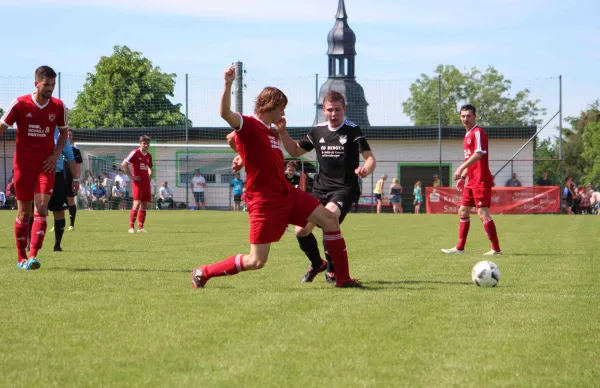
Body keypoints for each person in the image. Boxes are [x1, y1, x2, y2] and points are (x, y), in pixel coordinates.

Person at [191, 65, 362, 289]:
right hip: (264, 202)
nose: (283, 114)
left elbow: (251, 149)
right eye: (281, 108)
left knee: (330, 220)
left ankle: (343, 279)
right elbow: (227, 121)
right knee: (256, 261)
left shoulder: (270, 131)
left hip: (286, 194)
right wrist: (228, 84)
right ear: (270, 106)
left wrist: (243, 157)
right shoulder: (249, 123)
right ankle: (204, 272)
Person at [277, 90, 376, 283]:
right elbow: (295, 151)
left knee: (329, 218)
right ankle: (317, 264)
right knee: (301, 231)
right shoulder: (317, 131)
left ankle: (332, 270)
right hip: (320, 189)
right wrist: (282, 132)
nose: (334, 114)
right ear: (324, 110)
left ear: (344, 109)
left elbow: (370, 158)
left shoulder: (352, 130)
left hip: (344, 189)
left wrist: (366, 169)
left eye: (338, 110)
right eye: (330, 110)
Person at [0, 66, 69, 270]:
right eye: (46, 84)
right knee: (24, 212)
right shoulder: (20, 104)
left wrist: (55, 156)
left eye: (53, 85)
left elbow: (64, 135)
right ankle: (21, 257)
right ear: (36, 83)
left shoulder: (59, 107)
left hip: (45, 166)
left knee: (41, 207)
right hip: (23, 166)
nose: (50, 89)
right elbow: (2, 128)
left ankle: (33, 256)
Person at [441, 104, 501, 256]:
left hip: (481, 180)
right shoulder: (467, 135)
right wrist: (463, 176)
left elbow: (479, 154)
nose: (465, 119)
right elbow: (472, 161)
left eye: (468, 116)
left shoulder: (478, 133)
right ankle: (460, 248)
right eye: (463, 116)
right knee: (463, 211)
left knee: (482, 213)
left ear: (475, 116)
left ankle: (496, 249)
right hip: (472, 180)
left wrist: (461, 168)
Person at [48, 128, 80, 251]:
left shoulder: (60, 132)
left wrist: (76, 179)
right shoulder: (35, 126)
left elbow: (70, 156)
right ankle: (32, 245)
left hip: (57, 175)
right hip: (37, 174)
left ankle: (57, 244)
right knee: (36, 210)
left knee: (59, 210)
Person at [122, 135, 153, 233]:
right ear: (140, 143)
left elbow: (150, 167)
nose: (146, 145)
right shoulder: (135, 152)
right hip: (137, 183)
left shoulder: (149, 155)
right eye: (144, 143)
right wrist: (131, 177)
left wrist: (150, 173)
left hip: (146, 183)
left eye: (147, 143)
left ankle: (140, 228)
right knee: (136, 203)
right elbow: (124, 164)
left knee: (144, 205)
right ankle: (131, 227)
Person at [63, 129, 83, 231]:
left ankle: (71, 225)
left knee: (70, 200)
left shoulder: (76, 150)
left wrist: (76, 179)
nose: (68, 136)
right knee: (58, 202)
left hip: (70, 179)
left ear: (72, 137)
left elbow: (78, 166)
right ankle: (58, 224)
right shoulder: (58, 148)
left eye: (70, 135)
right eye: (67, 134)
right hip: (58, 178)